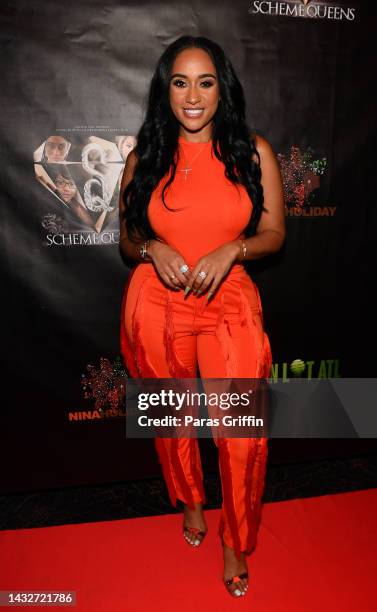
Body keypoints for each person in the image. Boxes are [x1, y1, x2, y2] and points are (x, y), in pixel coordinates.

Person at [119, 35, 285, 598]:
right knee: (172, 420)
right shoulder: (146, 157)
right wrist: (151, 249)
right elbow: (126, 239)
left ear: (223, 89)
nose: (193, 95)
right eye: (181, 82)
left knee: (241, 434)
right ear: (165, 90)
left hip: (229, 303)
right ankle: (191, 501)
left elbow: (274, 235)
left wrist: (232, 248)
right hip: (156, 303)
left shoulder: (252, 150)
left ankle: (235, 539)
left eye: (206, 82)